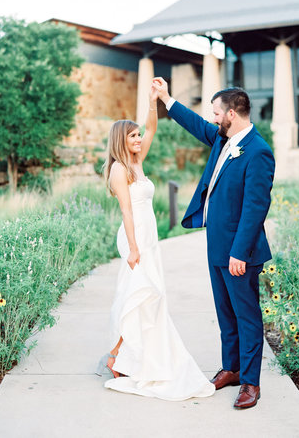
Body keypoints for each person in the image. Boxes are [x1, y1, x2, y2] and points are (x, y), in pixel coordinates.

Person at [153, 78, 275, 409]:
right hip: (216, 246)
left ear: (232, 114)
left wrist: (240, 252)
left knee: (246, 316)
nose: (212, 119)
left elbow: (255, 209)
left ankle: (250, 383)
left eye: (216, 113)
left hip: (239, 252)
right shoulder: (223, 139)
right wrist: (166, 98)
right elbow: (195, 124)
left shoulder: (259, 152)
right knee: (225, 313)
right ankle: (232, 369)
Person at [95, 83, 215, 401]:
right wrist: (134, 248)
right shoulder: (120, 170)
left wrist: (153, 102)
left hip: (150, 236)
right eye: (132, 136)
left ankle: (121, 354)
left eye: (137, 136)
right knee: (139, 293)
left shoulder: (137, 161)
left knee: (149, 296)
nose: (138, 139)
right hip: (135, 237)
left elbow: (152, 127)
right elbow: (126, 212)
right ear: (122, 140)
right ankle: (116, 353)